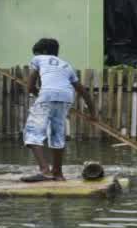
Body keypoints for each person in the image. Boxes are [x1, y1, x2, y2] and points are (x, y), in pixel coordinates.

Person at [21, 38, 96, 182]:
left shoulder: (38, 59)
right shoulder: (66, 65)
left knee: (32, 134)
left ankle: (45, 171)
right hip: (66, 97)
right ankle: (58, 173)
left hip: (47, 95)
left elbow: (30, 87)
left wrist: (40, 94)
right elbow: (82, 91)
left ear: (42, 52)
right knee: (57, 135)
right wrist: (93, 114)